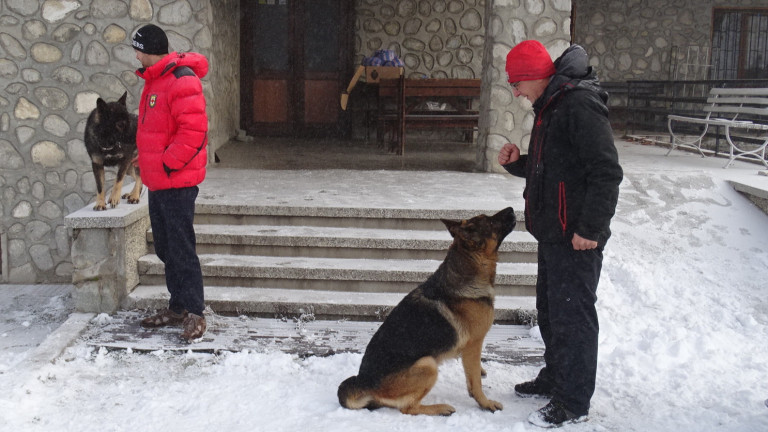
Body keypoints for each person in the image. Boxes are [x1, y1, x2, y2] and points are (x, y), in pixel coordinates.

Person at [497, 40, 623, 428]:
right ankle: (556, 377)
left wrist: (591, 229)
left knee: (574, 320)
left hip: (576, 237)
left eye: (517, 84)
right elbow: (553, 168)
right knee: (551, 313)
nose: (515, 92)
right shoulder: (551, 105)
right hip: (554, 233)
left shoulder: (578, 104)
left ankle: (572, 403)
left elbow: (606, 172)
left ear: (535, 76)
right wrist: (520, 165)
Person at [131, 24, 209, 341]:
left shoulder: (182, 79)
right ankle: (177, 308)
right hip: (159, 181)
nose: (134, 54)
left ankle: (195, 313)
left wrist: (165, 162)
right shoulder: (153, 81)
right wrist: (146, 158)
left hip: (176, 181)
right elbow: (157, 130)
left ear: (148, 50)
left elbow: (193, 133)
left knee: (181, 250)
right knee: (166, 248)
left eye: (136, 48)